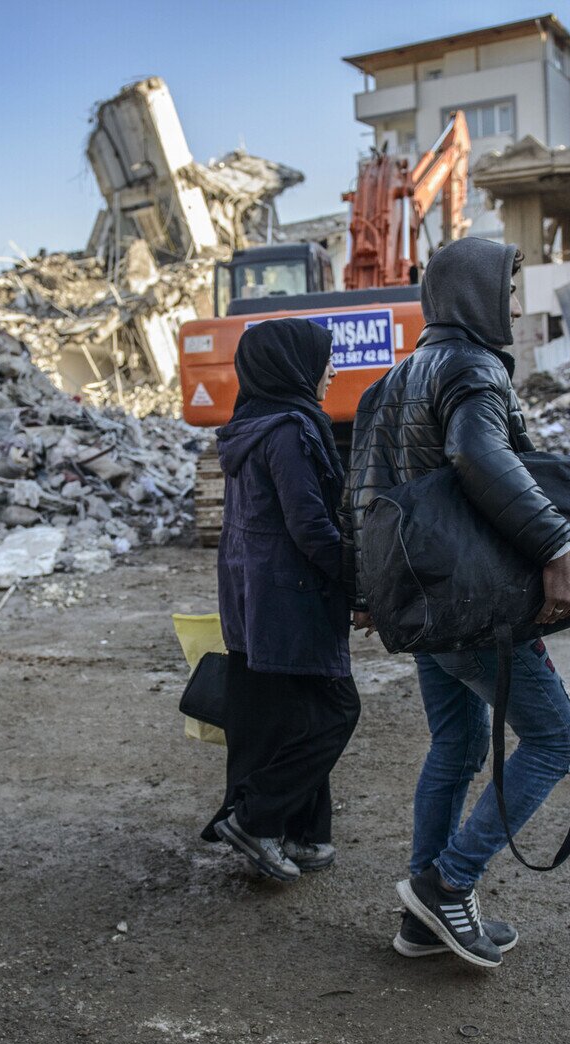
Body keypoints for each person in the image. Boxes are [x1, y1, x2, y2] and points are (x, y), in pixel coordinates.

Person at [340, 237, 570, 967]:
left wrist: (365, 593)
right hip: (471, 603)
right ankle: (450, 882)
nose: (515, 307)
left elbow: (359, 497)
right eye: (508, 293)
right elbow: (480, 457)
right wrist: (558, 548)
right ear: (477, 296)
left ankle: (425, 922)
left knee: (455, 747)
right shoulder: (472, 366)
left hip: (422, 609)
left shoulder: (388, 383)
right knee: (556, 741)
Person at [204, 318, 360, 882]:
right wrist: (359, 582)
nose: (332, 371)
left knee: (284, 716)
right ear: (294, 367)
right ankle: (257, 819)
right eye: (324, 360)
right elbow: (311, 526)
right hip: (291, 601)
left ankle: (305, 835)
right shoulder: (292, 430)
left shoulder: (248, 428)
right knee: (335, 710)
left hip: (252, 599)